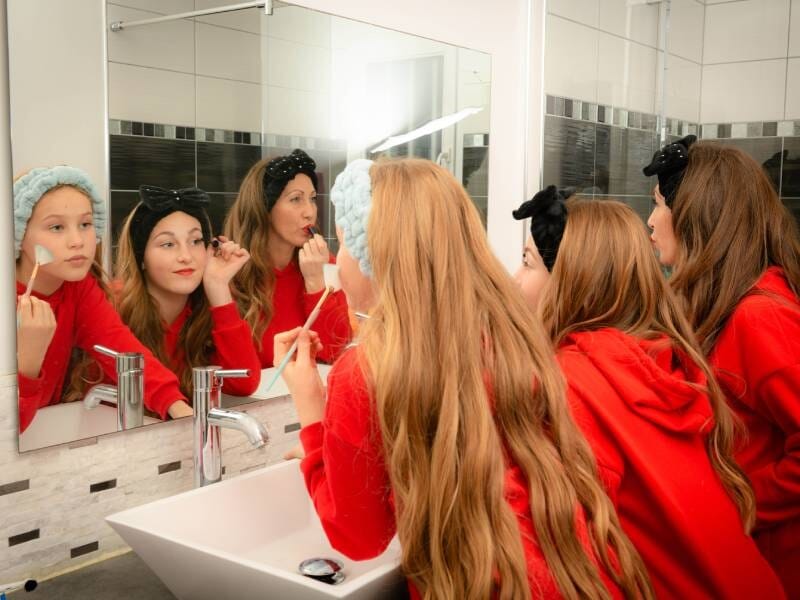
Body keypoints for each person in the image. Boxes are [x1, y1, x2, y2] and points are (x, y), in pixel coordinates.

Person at [274, 159, 653, 600]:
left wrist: (312, 414)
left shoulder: (364, 371)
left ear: (375, 255)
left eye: (343, 245)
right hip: (585, 577)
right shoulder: (515, 339)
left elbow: (358, 537)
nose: (339, 261)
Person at [514, 189, 785, 599]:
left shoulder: (571, 384)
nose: (514, 279)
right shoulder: (662, 362)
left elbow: (565, 563)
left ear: (571, 281)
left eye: (527, 262)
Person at [644, 138, 800, 597]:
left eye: (659, 205)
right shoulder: (722, 305)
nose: (650, 221)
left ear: (698, 215)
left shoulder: (760, 317)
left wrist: (738, 500)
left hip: (771, 564)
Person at [15, 166, 190, 432]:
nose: (78, 241)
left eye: (85, 224)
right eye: (56, 227)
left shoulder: (78, 289)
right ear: (18, 233)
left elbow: (123, 349)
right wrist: (28, 362)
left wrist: (177, 407)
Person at [114, 185, 260, 399]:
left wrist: (218, 287)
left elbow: (244, 384)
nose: (186, 256)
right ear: (141, 257)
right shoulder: (113, 308)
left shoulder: (208, 310)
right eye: (168, 244)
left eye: (195, 241)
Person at [223, 149, 351, 367]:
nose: (310, 212)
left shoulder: (323, 263)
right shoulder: (231, 271)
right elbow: (236, 369)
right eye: (296, 199)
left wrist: (316, 282)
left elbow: (335, 352)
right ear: (264, 207)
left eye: (312, 198)